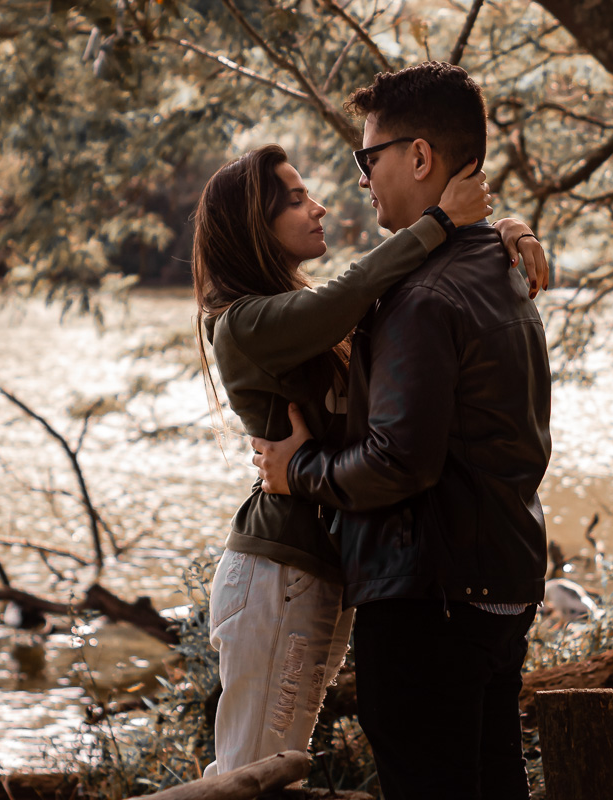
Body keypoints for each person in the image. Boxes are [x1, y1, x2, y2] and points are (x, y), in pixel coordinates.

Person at [193, 140, 548, 779]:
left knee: (275, 768)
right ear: (255, 224)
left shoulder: (299, 311)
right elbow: (355, 289)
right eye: (297, 200)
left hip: (319, 570)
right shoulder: (244, 323)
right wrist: (441, 222)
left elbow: (374, 286)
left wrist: (499, 229)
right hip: (277, 570)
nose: (321, 207)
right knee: (249, 774)